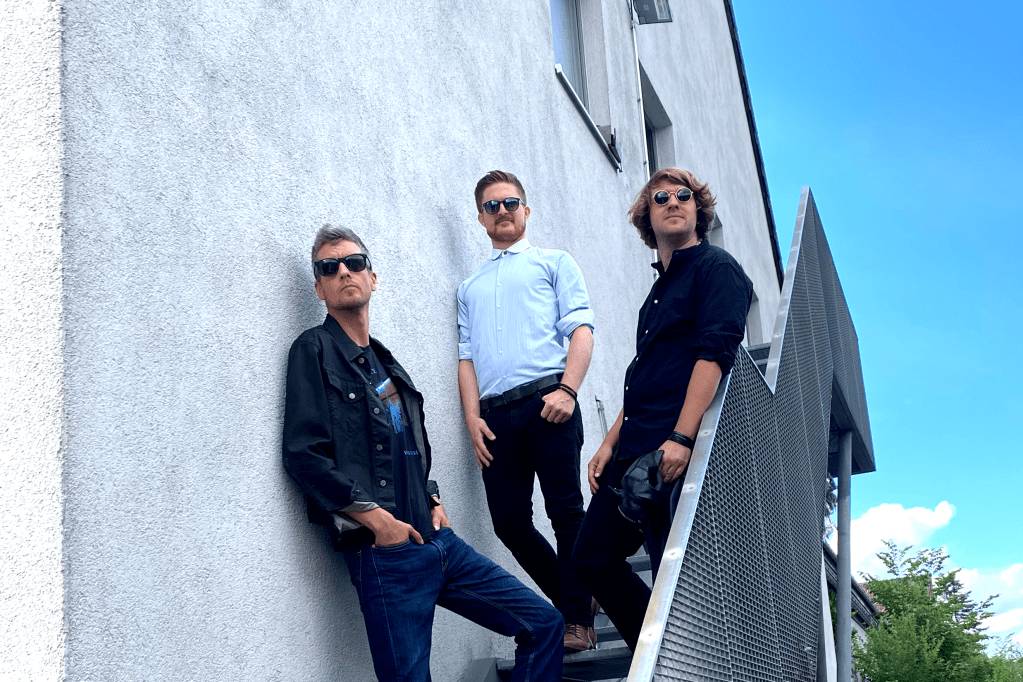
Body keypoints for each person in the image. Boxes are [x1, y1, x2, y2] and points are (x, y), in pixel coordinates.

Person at [283, 225, 563, 682]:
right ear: (319, 288)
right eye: (328, 268)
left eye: (354, 262)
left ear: (373, 277)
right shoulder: (313, 350)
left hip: (438, 541)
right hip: (386, 553)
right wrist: (380, 523)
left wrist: (431, 497)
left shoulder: (384, 362)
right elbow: (303, 453)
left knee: (544, 623)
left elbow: (406, 442)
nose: (343, 272)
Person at [572, 168, 753, 651]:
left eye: (683, 195)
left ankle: (676, 658)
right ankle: (658, 655)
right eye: (660, 198)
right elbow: (645, 376)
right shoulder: (655, 294)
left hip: (670, 448)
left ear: (698, 210)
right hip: (633, 446)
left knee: (675, 574)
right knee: (591, 557)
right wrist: (608, 444)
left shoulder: (717, 268)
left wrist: (682, 437)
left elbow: (714, 355)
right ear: (647, 219)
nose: (673, 202)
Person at [456, 171, 597, 652]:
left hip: (548, 403)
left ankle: (577, 622)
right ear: (481, 218)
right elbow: (466, 358)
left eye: (511, 202)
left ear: (526, 210)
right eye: (492, 206)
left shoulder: (554, 262)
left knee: (565, 512)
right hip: (495, 418)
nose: (502, 211)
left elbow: (581, 330)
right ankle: (576, 598)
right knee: (509, 523)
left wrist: (569, 390)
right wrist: (471, 418)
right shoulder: (469, 287)